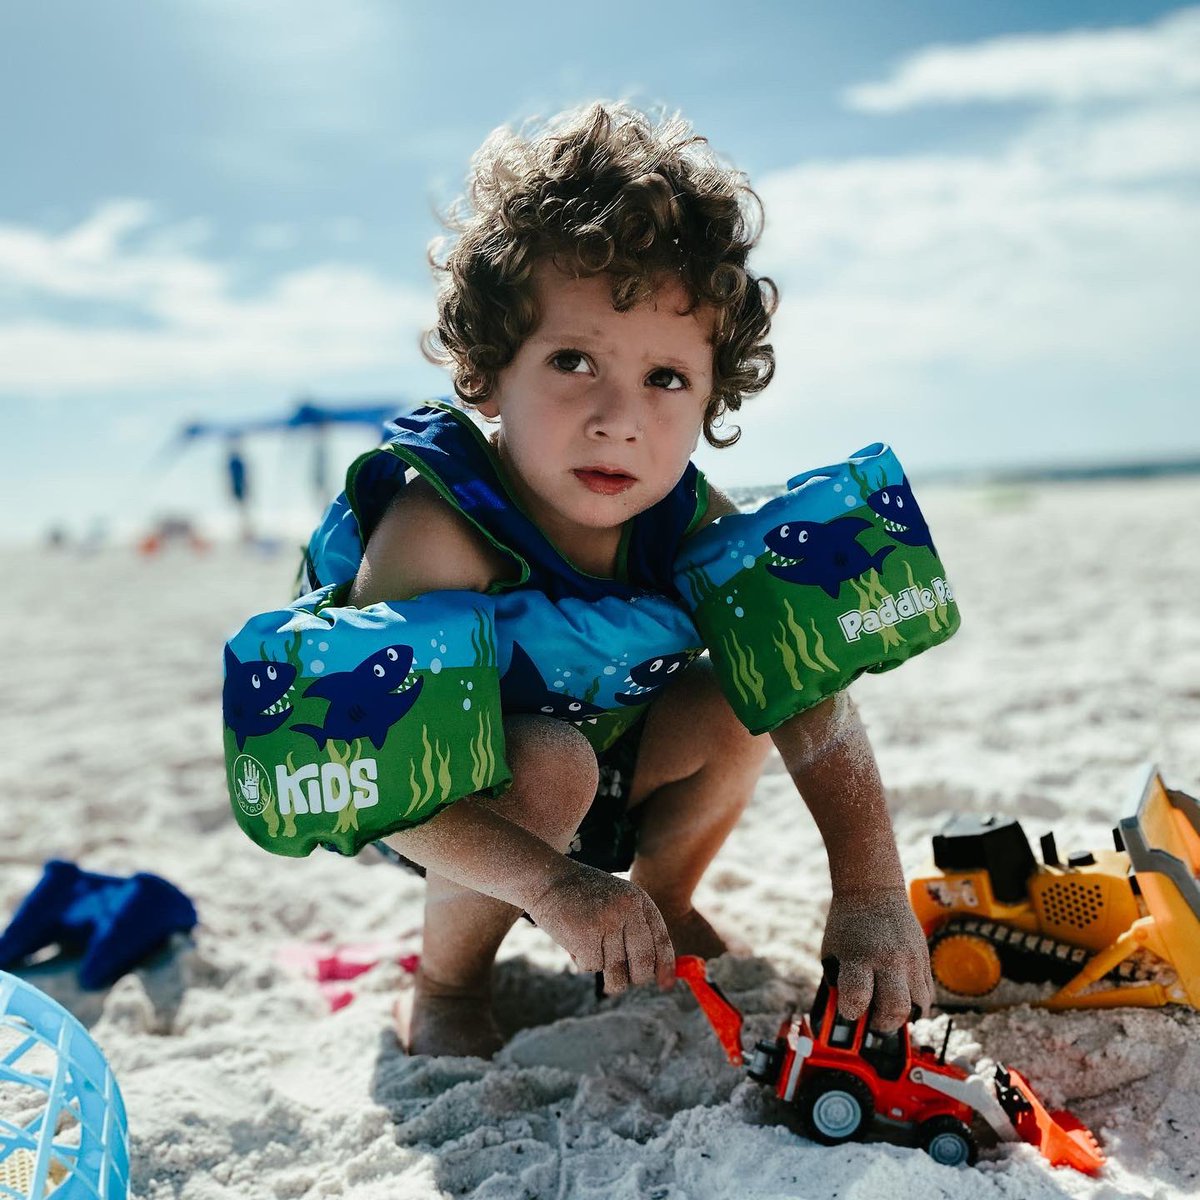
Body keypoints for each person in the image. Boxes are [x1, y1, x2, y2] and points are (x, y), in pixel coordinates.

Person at [309, 103, 936, 1058]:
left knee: (743, 685)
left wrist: (870, 890)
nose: (619, 419)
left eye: (666, 379)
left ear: (713, 392)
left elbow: (812, 693)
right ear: (486, 373)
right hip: (449, 806)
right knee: (549, 761)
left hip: (613, 756)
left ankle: (663, 899)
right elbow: (388, 781)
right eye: (573, 362)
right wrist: (554, 887)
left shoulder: (688, 514)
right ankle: (447, 981)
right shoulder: (443, 528)